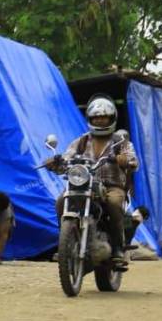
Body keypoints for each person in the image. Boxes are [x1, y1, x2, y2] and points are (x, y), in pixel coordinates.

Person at [46, 95, 137, 268]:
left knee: (114, 203)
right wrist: (55, 162)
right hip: (84, 183)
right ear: (90, 119)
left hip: (112, 186)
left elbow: (133, 161)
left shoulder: (121, 142)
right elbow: (67, 157)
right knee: (60, 201)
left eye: (104, 117)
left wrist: (124, 160)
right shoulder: (81, 141)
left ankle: (118, 248)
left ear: (111, 119)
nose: (100, 121)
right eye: (96, 117)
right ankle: (65, 244)